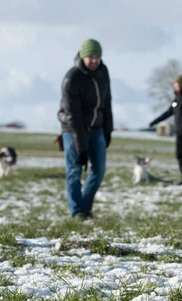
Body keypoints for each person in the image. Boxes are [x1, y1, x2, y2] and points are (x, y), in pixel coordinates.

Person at [57, 39, 113, 219]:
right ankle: (77, 211)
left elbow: (107, 104)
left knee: (99, 170)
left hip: (97, 129)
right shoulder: (71, 79)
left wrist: (108, 130)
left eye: (97, 57)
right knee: (74, 171)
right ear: (82, 56)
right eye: (91, 57)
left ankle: (85, 207)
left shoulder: (103, 73)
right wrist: (81, 148)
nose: (94, 60)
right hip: (73, 129)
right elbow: (73, 116)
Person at [149, 75, 182, 185]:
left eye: (176, 84)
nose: (174, 86)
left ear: (181, 84)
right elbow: (168, 112)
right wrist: (155, 121)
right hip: (179, 131)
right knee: (179, 154)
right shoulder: (177, 98)